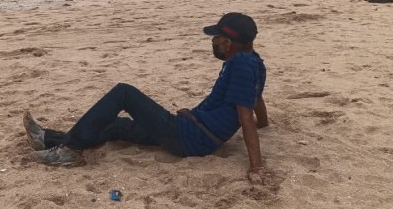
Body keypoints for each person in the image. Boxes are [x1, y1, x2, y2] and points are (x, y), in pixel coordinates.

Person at [23, 12, 269, 183]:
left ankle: (70, 150)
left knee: (124, 93)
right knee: (116, 125)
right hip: (192, 129)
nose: (213, 41)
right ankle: (47, 139)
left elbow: (245, 116)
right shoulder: (254, 62)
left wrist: (256, 167)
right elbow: (255, 98)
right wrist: (264, 124)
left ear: (228, 43)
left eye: (216, 38)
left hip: (189, 138)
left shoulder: (240, 66)